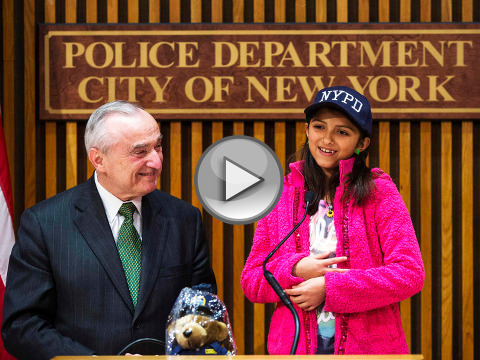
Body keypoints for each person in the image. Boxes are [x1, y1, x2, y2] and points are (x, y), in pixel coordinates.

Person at [2, 101, 216, 359]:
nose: (157, 161)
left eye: (158, 146)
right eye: (141, 151)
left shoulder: (184, 219)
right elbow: (23, 326)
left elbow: (202, 312)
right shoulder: (45, 224)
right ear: (98, 159)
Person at [241, 86, 424, 355]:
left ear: (361, 143)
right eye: (319, 127)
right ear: (307, 130)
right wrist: (294, 269)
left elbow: (409, 274)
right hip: (293, 351)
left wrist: (330, 288)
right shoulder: (280, 194)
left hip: (369, 351)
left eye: (342, 131)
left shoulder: (380, 193)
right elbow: (252, 280)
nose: (327, 139)